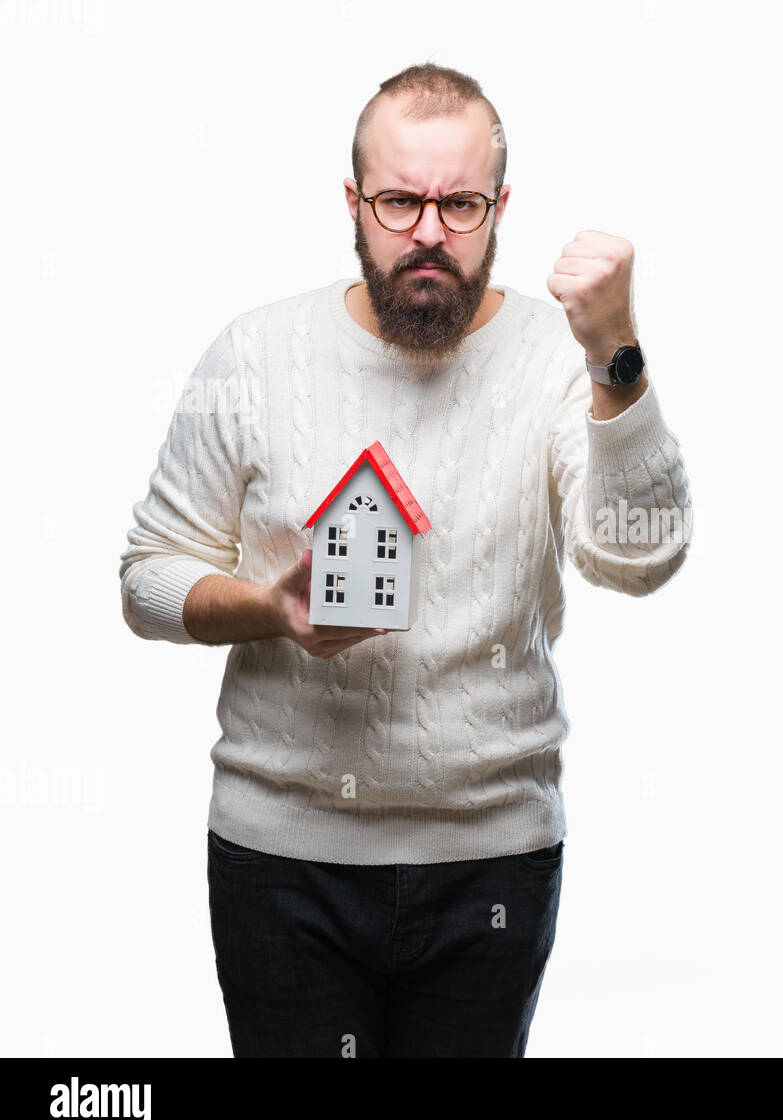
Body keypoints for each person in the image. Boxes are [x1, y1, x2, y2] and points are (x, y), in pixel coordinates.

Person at [118, 61, 692, 1058]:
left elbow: (639, 557)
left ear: (499, 206)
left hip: (493, 862)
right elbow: (146, 577)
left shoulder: (556, 362)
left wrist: (614, 353)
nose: (428, 230)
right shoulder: (254, 355)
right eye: (399, 200)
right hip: (282, 861)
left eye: (459, 203)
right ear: (353, 202)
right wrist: (269, 609)